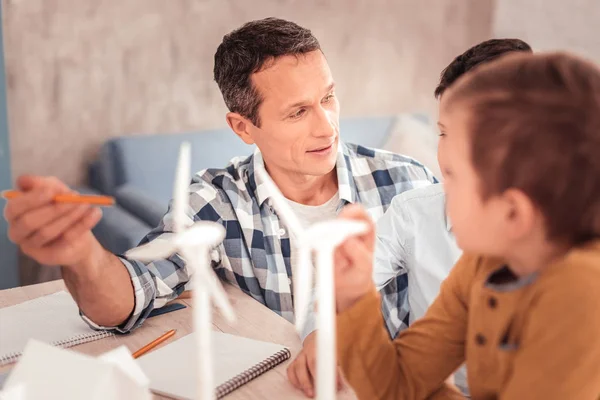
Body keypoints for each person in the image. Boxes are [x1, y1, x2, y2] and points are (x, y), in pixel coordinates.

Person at [2, 18, 434, 334]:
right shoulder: (214, 202)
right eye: (298, 111)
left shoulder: (406, 183)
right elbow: (127, 297)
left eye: (328, 97)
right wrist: (80, 253)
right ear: (243, 127)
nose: (327, 126)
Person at [334, 52, 600, 399]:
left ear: (512, 213)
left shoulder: (581, 294)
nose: (439, 189)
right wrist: (354, 296)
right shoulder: (485, 262)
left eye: (453, 178)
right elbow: (397, 386)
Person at [287, 38, 532, 397]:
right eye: (445, 133)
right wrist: (350, 300)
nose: (450, 155)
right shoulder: (464, 259)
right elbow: (400, 383)